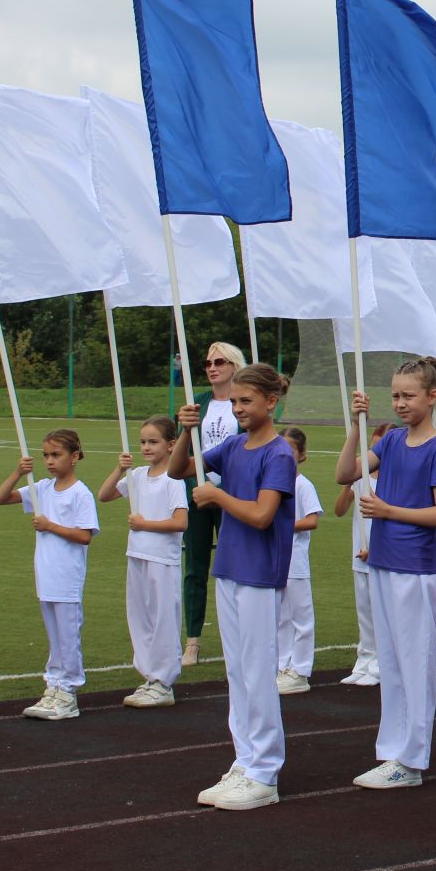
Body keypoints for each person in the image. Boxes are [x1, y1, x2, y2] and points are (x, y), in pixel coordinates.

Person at [171, 363, 297, 810]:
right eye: (235, 402)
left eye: (246, 401)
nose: (239, 408)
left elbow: (263, 515)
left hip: (260, 573)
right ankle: (245, 761)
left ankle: (265, 772)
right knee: (238, 672)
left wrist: (218, 497)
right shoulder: (233, 445)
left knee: (258, 671)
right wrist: (186, 431)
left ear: (270, 401)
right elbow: (177, 470)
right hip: (228, 568)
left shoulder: (278, 453)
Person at [337, 357, 436, 789]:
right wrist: (355, 424)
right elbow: (344, 473)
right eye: (395, 396)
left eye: (409, 395)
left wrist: (389, 511)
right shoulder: (389, 443)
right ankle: (392, 752)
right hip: (385, 563)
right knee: (390, 662)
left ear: (432, 396)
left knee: (414, 664)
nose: (401, 403)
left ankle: (411, 759)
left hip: (417, 568)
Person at [0, 429, 99, 722]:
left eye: (56, 455)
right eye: (46, 456)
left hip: (67, 575)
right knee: (54, 635)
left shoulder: (80, 493)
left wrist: (50, 525)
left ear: (74, 456)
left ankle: (69, 691)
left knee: (67, 634)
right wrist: (18, 472)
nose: (50, 461)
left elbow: (84, 535)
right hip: (46, 573)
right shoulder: (41, 488)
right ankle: (54, 684)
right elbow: (1, 498)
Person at [97, 415, 189, 709]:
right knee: (141, 618)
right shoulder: (136, 475)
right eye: (143, 442)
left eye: (153, 442)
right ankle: (149, 676)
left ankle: (164, 681)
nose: (146, 447)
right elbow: (105, 495)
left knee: (163, 618)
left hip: (162, 558)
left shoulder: (172, 480)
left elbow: (180, 522)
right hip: (137, 554)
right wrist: (120, 469)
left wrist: (145, 524)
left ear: (171, 444)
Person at [180, 341, 246, 668]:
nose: (211, 367)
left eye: (219, 361)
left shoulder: (242, 404)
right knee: (195, 568)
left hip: (233, 495)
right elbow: (186, 452)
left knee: (232, 567)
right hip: (198, 493)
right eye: (207, 363)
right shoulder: (199, 404)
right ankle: (192, 640)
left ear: (234, 366)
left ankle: (236, 635)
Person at [334, 422, 388, 687]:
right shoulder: (361, 479)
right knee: (364, 612)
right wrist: (350, 485)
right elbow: (340, 510)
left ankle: (381, 661)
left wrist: (376, 548)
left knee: (381, 612)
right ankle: (364, 658)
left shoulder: (392, 479)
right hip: (360, 553)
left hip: (382, 555)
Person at [275, 428, 324, 696]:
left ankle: (301, 669)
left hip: (296, 562)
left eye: (290, 451)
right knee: (282, 617)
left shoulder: (303, 485)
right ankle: (283, 665)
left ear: (301, 455)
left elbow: (312, 520)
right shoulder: (273, 484)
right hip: (277, 559)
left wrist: (283, 525)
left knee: (301, 617)